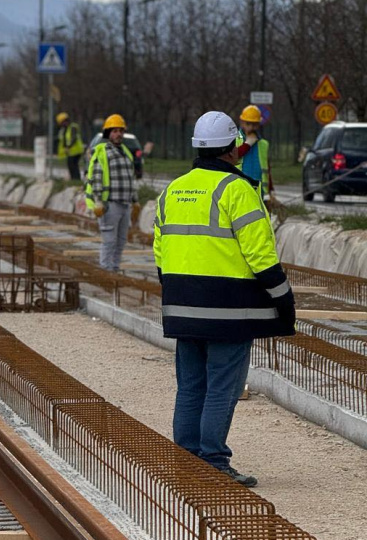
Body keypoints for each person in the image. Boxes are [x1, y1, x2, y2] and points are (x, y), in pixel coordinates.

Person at [153, 111, 296, 488]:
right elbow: (261, 255)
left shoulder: (172, 190)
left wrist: (175, 293)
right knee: (222, 387)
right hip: (229, 310)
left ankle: (185, 459)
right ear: (233, 148)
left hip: (182, 305)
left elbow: (159, 250)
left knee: (190, 385)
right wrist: (283, 299)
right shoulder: (237, 190)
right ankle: (214, 460)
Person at [86, 114, 136, 272]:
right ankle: (105, 272)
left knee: (121, 241)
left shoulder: (126, 152)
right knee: (109, 241)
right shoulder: (103, 151)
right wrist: (98, 200)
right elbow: (97, 177)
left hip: (125, 204)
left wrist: (135, 200)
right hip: (110, 205)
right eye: (114, 131)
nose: (118, 134)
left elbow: (131, 178)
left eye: (121, 130)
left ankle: (114, 269)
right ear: (108, 133)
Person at [237, 105, 273, 200]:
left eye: (254, 124)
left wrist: (269, 192)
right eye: (248, 124)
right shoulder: (235, 139)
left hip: (259, 191)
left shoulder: (263, 144)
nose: (251, 127)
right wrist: (247, 144)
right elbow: (232, 156)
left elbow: (267, 169)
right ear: (242, 123)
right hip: (240, 188)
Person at [57, 113, 84, 181]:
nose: (61, 125)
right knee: (71, 166)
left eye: (62, 123)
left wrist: (68, 146)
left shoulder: (73, 127)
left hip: (76, 150)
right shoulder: (65, 129)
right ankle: (74, 179)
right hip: (71, 151)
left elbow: (73, 138)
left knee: (73, 166)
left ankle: (76, 179)